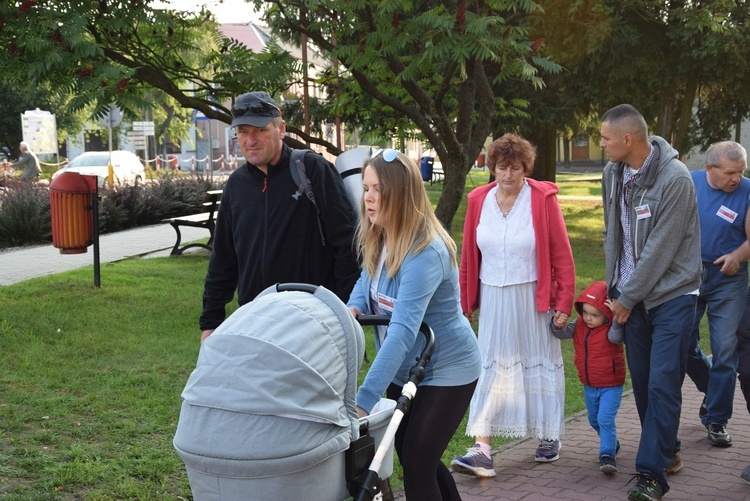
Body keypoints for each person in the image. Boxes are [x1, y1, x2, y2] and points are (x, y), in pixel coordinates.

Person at [347, 148, 481, 500]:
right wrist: (354, 308)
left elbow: (403, 332)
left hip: (448, 368)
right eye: (366, 188)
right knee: (413, 454)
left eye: (377, 189)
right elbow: (366, 283)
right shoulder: (381, 233)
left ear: (401, 194)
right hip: (408, 369)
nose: (369, 198)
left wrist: (363, 402)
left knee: (419, 464)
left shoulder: (426, 252)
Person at [452, 133, 576, 478]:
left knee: (538, 362)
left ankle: (548, 434)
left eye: (515, 168)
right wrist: (466, 300)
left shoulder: (542, 199)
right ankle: (482, 448)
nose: (508, 175)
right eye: (502, 168)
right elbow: (468, 257)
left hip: (533, 298)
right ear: (492, 167)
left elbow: (562, 255)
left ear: (526, 168)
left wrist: (564, 300)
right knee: (491, 366)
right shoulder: (478, 199)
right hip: (492, 296)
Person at [599, 104, 701, 501]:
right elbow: (614, 234)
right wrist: (616, 288)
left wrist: (627, 296)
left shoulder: (675, 179)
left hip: (673, 294)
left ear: (629, 139)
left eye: (606, 138)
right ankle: (668, 450)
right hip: (630, 296)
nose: (602, 144)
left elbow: (661, 248)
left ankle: (651, 475)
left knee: (662, 383)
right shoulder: (613, 172)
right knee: (642, 383)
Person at [199, 91, 359, 342]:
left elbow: (347, 241)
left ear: (281, 129)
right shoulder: (236, 186)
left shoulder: (312, 169)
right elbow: (223, 260)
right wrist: (210, 322)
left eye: (259, 130)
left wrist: (345, 310)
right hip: (254, 320)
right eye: (242, 131)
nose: (250, 140)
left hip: (311, 319)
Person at [685, 141, 750, 448]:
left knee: (726, 351)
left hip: (729, 278)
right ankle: (713, 391)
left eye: (741, 171)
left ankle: (716, 419)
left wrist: (738, 255)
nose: (736, 178)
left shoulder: (748, 190)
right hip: (688, 275)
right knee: (682, 343)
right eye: (729, 172)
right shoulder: (688, 181)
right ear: (709, 169)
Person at [550, 281, 626, 474]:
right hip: (589, 384)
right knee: (594, 420)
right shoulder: (580, 324)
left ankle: (607, 455)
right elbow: (562, 333)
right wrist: (557, 324)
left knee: (605, 419)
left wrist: (615, 319)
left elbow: (616, 339)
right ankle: (612, 443)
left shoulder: (612, 327)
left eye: (595, 315)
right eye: (585, 313)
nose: (588, 318)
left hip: (611, 384)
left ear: (607, 314)